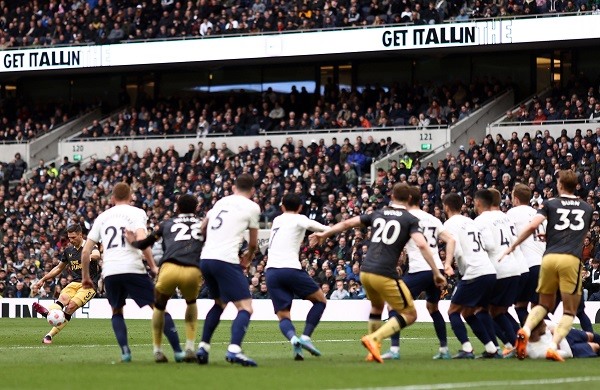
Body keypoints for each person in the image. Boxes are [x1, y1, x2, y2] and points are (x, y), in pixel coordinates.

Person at [309, 182, 446, 363]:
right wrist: (436, 272)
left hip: (365, 272)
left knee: (376, 307)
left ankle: (373, 352)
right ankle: (375, 338)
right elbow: (421, 244)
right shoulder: (409, 219)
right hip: (385, 274)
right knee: (410, 315)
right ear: (410, 199)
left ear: (391, 196)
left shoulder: (378, 213)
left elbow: (347, 223)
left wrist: (324, 234)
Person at [81, 183, 184, 363]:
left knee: (117, 311)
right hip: (132, 267)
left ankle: (125, 353)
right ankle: (178, 351)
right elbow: (142, 240)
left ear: (112, 198)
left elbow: (85, 252)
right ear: (131, 196)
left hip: (110, 271)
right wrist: (152, 266)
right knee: (158, 307)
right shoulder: (137, 213)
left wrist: (86, 277)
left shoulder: (102, 218)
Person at [505, 170, 594, 361]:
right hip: (571, 260)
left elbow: (531, 227)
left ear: (560, 185)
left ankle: (526, 330)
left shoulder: (549, 203)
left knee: (542, 305)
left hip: (549, 257)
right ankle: (553, 346)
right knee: (570, 311)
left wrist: (514, 245)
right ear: (576, 185)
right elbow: (576, 233)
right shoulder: (587, 208)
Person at [126, 194, 204, 363]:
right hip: (193, 269)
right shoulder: (203, 223)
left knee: (159, 307)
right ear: (196, 207)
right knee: (191, 303)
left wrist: (133, 242)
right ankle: (190, 347)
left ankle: (158, 350)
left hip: (169, 268)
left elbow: (144, 244)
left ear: (177, 208)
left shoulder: (167, 223)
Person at [195, 173, 261, 367]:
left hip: (207, 258)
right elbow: (254, 244)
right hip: (226, 260)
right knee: (246, 307)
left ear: (234, 187)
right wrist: (247, 259)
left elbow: (203, 227)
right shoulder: (252, 207)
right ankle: (234, 350)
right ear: (253, 190)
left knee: (219, 303)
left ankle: (204, 347)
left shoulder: (221, 202)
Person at [383, 185, 456, 360]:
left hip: (419, 270)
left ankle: (394, 350)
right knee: (433, 308)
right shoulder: (432, 218)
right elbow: (451, 239)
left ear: (407, 199)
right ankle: (444, 349)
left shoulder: (406, 218)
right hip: (436, 269)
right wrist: (447, 264)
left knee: (393, 305)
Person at [265, 194, 329, 360]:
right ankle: (306, 337)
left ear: (282, 207)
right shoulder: (300, 219)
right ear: (300, 207)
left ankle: (294, 340)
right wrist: (323, 233)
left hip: (271, 271)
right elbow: (322, 228)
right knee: (320, 301)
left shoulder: (277, 220)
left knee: (283, 316)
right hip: (290, 269)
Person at [442, 193, 498, 359]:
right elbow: (488, 245)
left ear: (446, 207)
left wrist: (450, 264)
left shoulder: (450, 224)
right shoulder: (470, 221)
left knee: (453, 311)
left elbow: (456, 247)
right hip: (489, 270)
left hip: (474, 272)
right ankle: (492, 349)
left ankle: (467, 349)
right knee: (469, 312)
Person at [32, 223, 101, 344]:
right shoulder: (68, 251)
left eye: (73, 237)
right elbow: (58, 268)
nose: (71, 240)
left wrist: (88, 256)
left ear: (80, 235)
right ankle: (49, 314)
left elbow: (97, 255)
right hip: (74, 283)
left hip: (89, 285)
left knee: (71, 306)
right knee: (62, 298)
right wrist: (43, 279)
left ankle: (49, 335)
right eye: (69, 238)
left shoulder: (90, 246)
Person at [473, 189, 523, 358]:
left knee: (481, 310)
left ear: (480, 202)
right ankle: (520, 343)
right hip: (514, 267)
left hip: (497, 268)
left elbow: (488, 245)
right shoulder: (507, 217)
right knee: (499, 311)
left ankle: (510, 345)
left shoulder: (481, 221)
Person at [506, 184, 546, 325]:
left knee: (520, 307)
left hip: (530, 265)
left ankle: (534, 339)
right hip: (546, 265)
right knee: (538, 309)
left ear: (515, 199)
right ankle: (549, 340)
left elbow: (507, 239)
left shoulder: (512, 213)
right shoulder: (539, 214)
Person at [527, 320, 600, 359]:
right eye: (543, 325)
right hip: (568, 348)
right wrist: (556, 342)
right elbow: (566, 353)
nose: (545, 325)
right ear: (536, 331)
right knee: (595, 346)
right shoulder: (538, 351)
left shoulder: (544, 326)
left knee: (590, 335)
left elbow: (554, 326)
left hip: (565, 334)